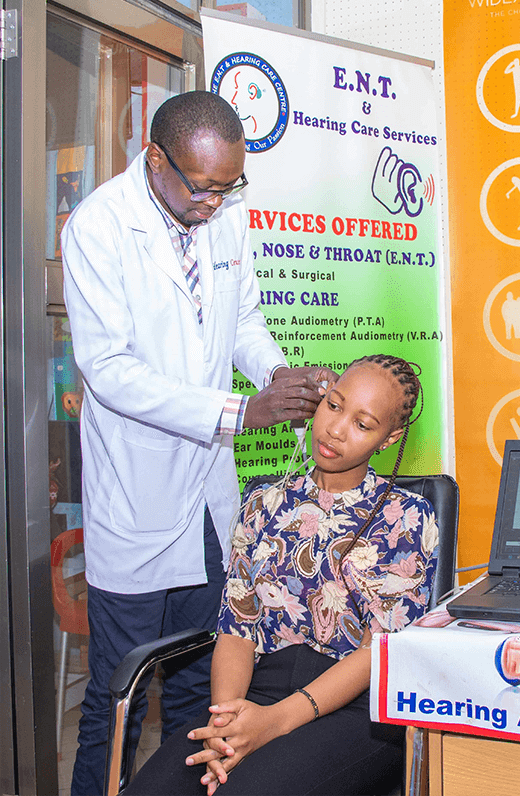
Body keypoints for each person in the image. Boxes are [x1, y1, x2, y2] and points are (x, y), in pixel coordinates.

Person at [61, 91, 335, 796]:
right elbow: (112, 371)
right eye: (202, 186)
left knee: (200, 687)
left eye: (228, 186)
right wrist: (243, 412)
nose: (216, 202)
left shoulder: (225, 216)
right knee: (118, 694)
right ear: (155, 159)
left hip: (211, 505)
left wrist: (277, 373)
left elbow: (242, 319)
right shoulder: (98, 227)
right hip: (139, 500)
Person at [124, 354, 438, 796]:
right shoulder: (263, 503)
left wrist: (274, 723)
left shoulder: (406, 518)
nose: (335, 428)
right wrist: (226, 721)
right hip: (259, 687)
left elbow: (377, 651)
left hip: (353, 707)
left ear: (390, 438)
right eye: (333, 405)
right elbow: (237, 627)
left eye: (363, 424)